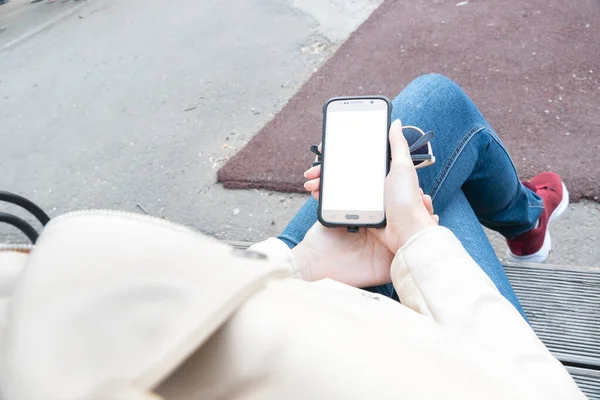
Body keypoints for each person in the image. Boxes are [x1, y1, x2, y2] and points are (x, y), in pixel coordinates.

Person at [0, 74, 582, 399]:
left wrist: (299, 263)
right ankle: (524, 217)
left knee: (395, 165)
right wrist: (416, 243)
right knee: (434, 108)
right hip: (453, 367)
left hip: (298, 296)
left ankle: (523, 216)